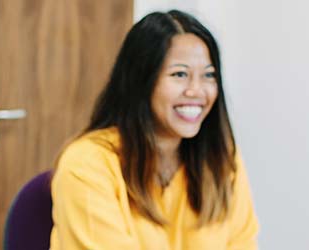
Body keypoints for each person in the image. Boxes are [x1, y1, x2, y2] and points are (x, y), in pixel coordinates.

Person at [49, 10, 259, 250]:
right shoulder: (87, 163)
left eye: (208, 75)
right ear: (142, 80)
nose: (197, 91)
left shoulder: (221, 158)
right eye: (180, 74)